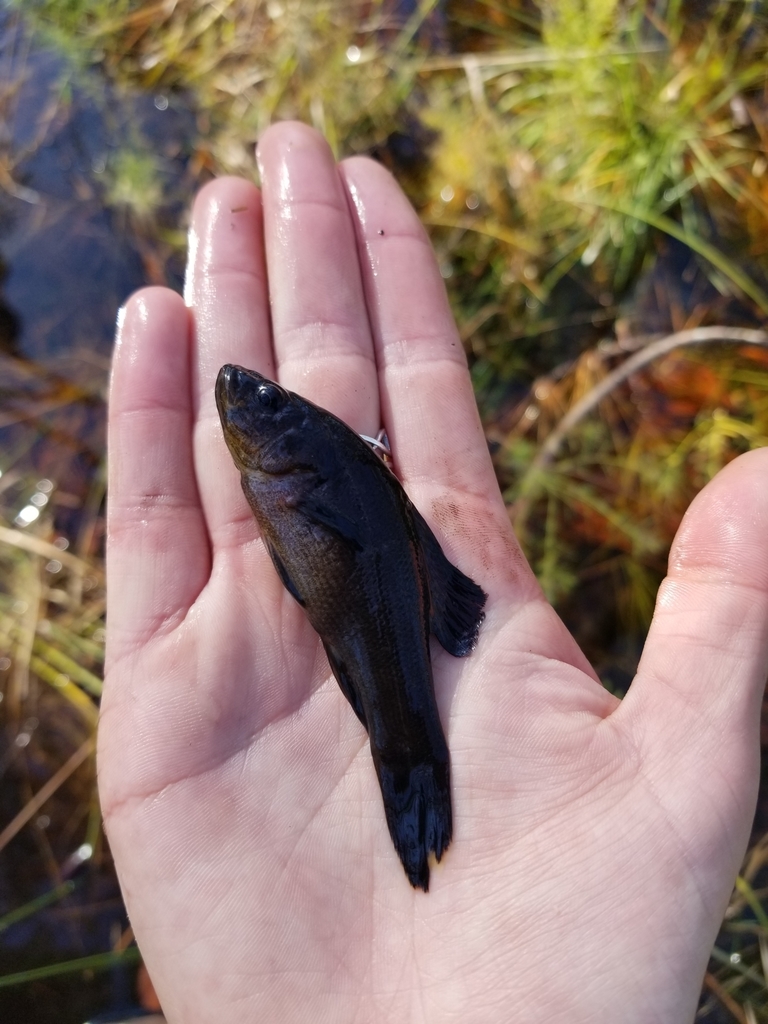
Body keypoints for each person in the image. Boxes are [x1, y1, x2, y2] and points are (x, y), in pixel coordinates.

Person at [99, 121, 768, 1023]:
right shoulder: (291, 463)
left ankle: (409, 763)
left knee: (395, 702)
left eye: (260, 402)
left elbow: (350, 539)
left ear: (285, 436)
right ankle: (406, 763)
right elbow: (333, 554)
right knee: (380, 675)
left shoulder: (295, 460)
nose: (241, 400)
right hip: (366, 587)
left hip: (381, 587)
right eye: (251, 403)